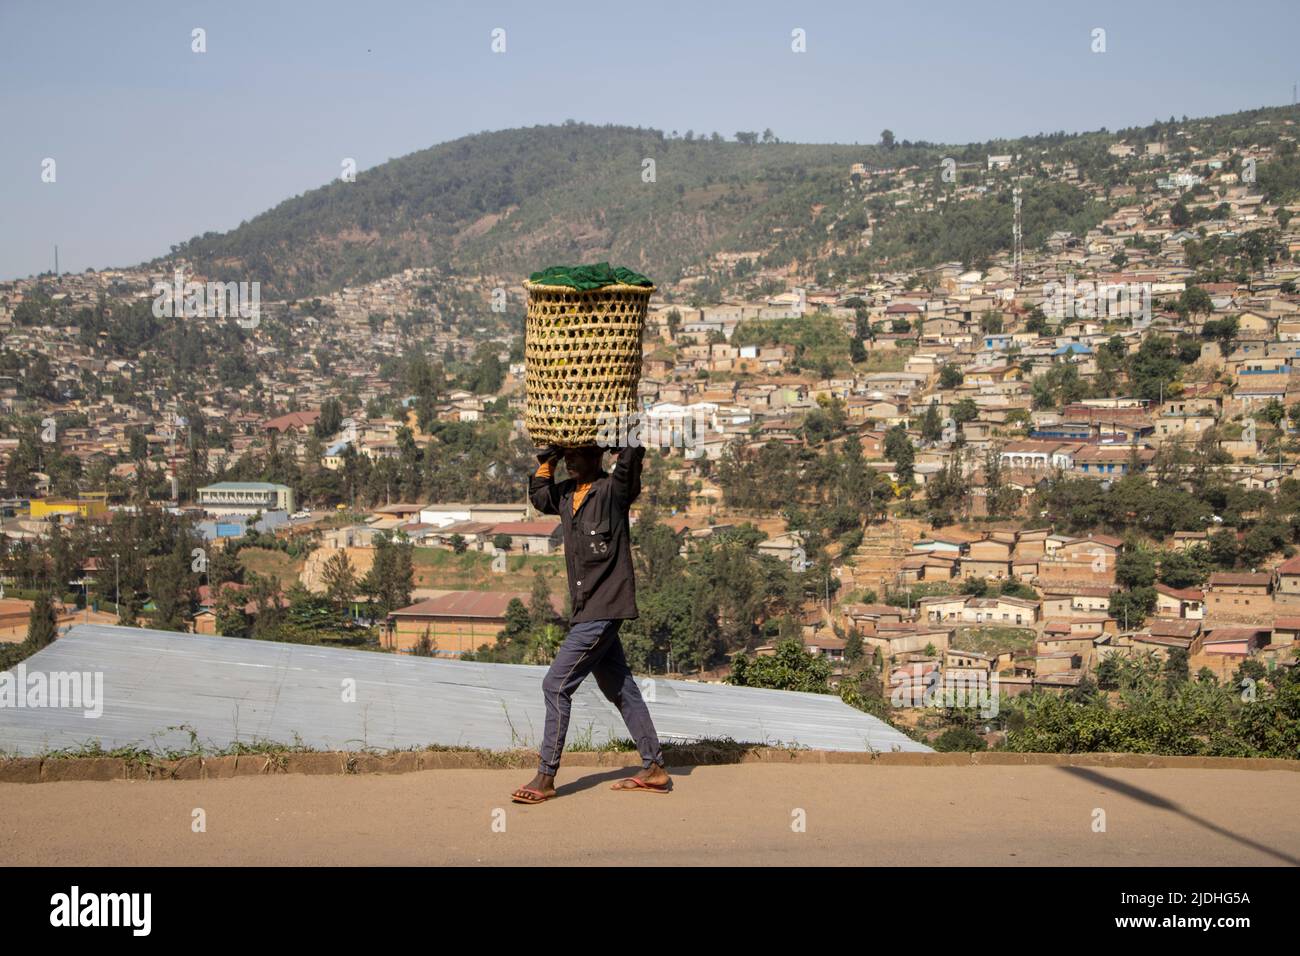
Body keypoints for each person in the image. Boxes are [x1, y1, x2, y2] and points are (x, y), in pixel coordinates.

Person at [510, 443, 670, 803]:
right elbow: (539, 496)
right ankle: (654, 768)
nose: (571, 460)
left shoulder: (612, 492)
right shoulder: (567, 495)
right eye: (568, 454)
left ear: (597, 456)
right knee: (622, 689)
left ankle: (545, 776)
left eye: (577, 454)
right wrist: (547, 460)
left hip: (604, 610)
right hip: (587, 610)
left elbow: (628, 470)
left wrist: (624, 441)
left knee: (555, 686)